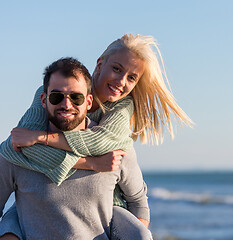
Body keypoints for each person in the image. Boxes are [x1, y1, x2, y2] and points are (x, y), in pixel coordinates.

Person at [0, 34, 193, 239]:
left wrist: (41, 139)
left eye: (131, 77)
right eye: (117, 69)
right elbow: (22, 145)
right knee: (21, 211)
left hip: (109, 208)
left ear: (88, 101)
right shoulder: (51, 89)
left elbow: (99, 143)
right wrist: (89, 162)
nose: (120, 81)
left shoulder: (121, 112)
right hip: (40, 208)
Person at [0, 57, 151, 239]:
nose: (66, 105)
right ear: (43, 99)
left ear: (88, 102)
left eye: (76, 97)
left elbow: (138, 203)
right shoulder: (16, 150)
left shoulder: (114, 151)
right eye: (57, 96)